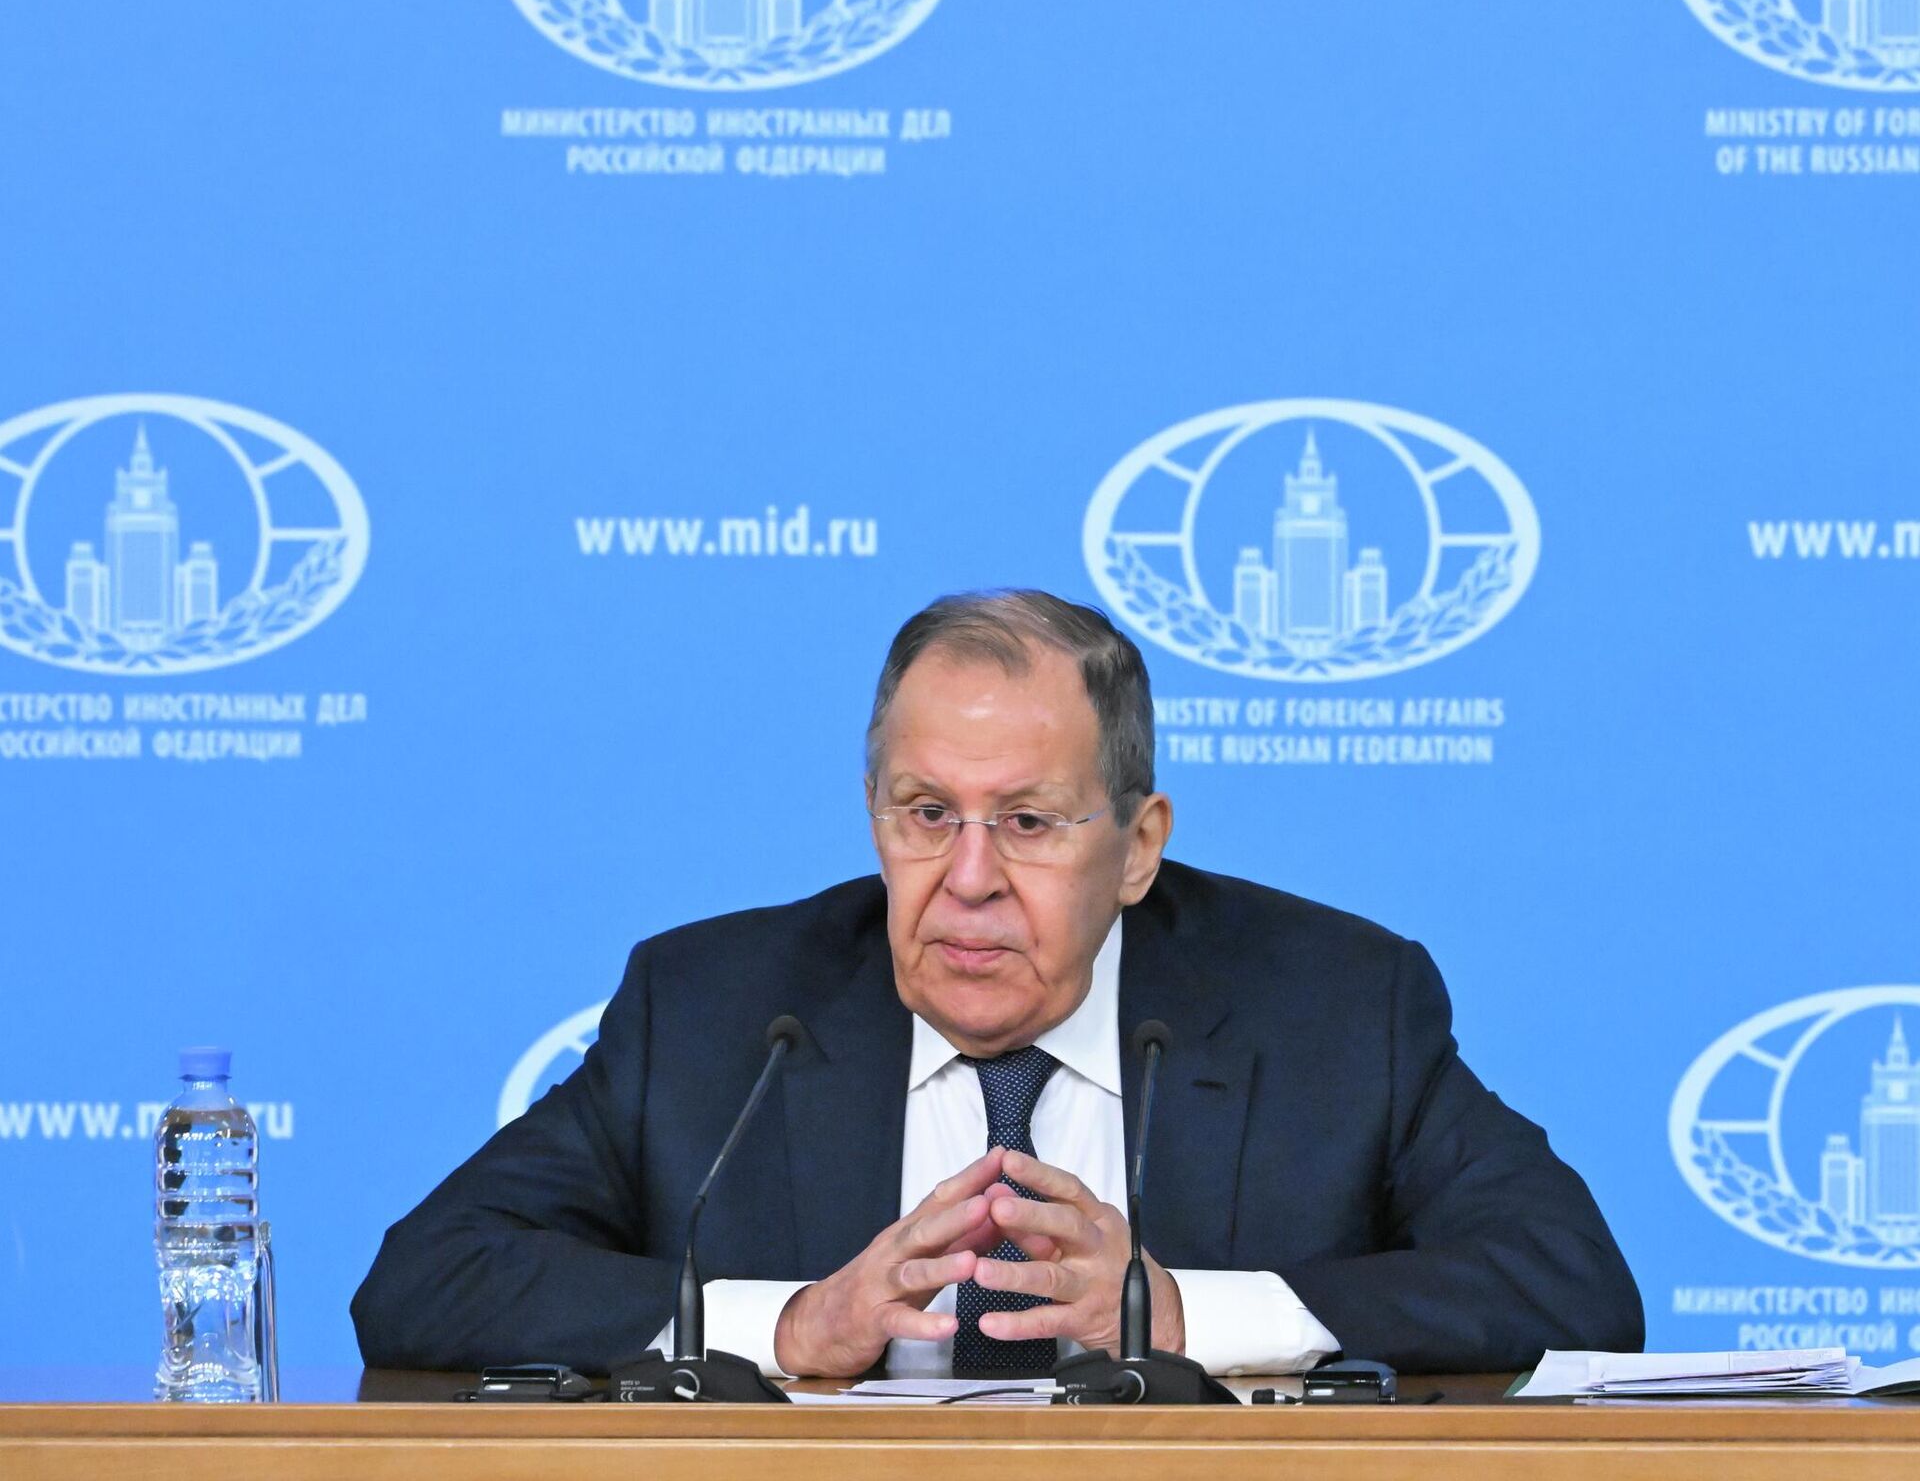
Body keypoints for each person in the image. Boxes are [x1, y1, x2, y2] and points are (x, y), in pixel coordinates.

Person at [352, 590, 1642, 1377]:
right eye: (927, 814)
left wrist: (1185, 1313)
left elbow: (1572, 1283)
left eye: (1028, 823)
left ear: (1137, 847)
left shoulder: (1335, 1006)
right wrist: (789, 1324)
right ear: (874, 814)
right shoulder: (715, 1012)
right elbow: (424, 1280)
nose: (966, 879)